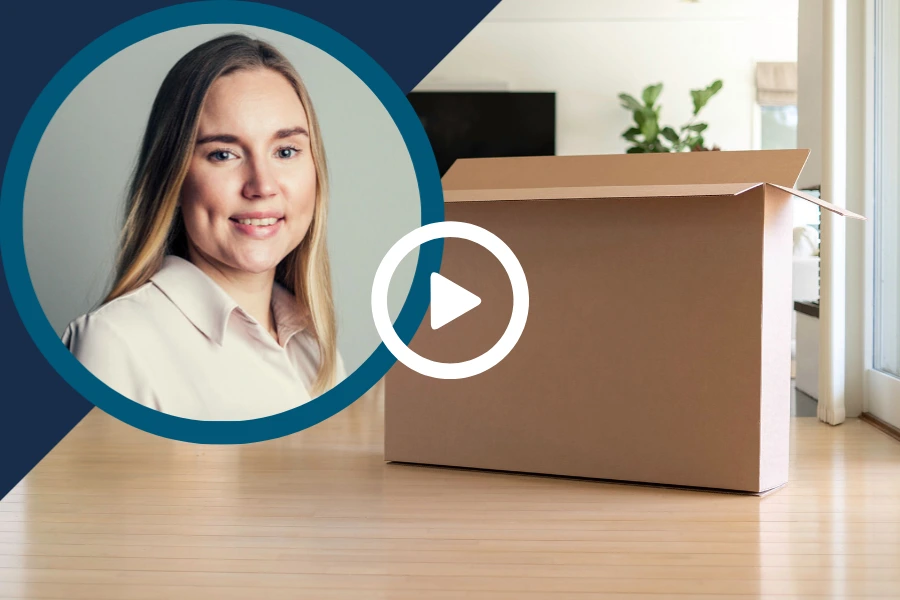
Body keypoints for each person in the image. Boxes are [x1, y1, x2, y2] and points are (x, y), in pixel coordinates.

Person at [62, 33, 346, 421]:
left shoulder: (315, 345)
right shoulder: (112, 344)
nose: (262, 186)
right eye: (223, 154)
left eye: (285, 151)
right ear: (174, 178)